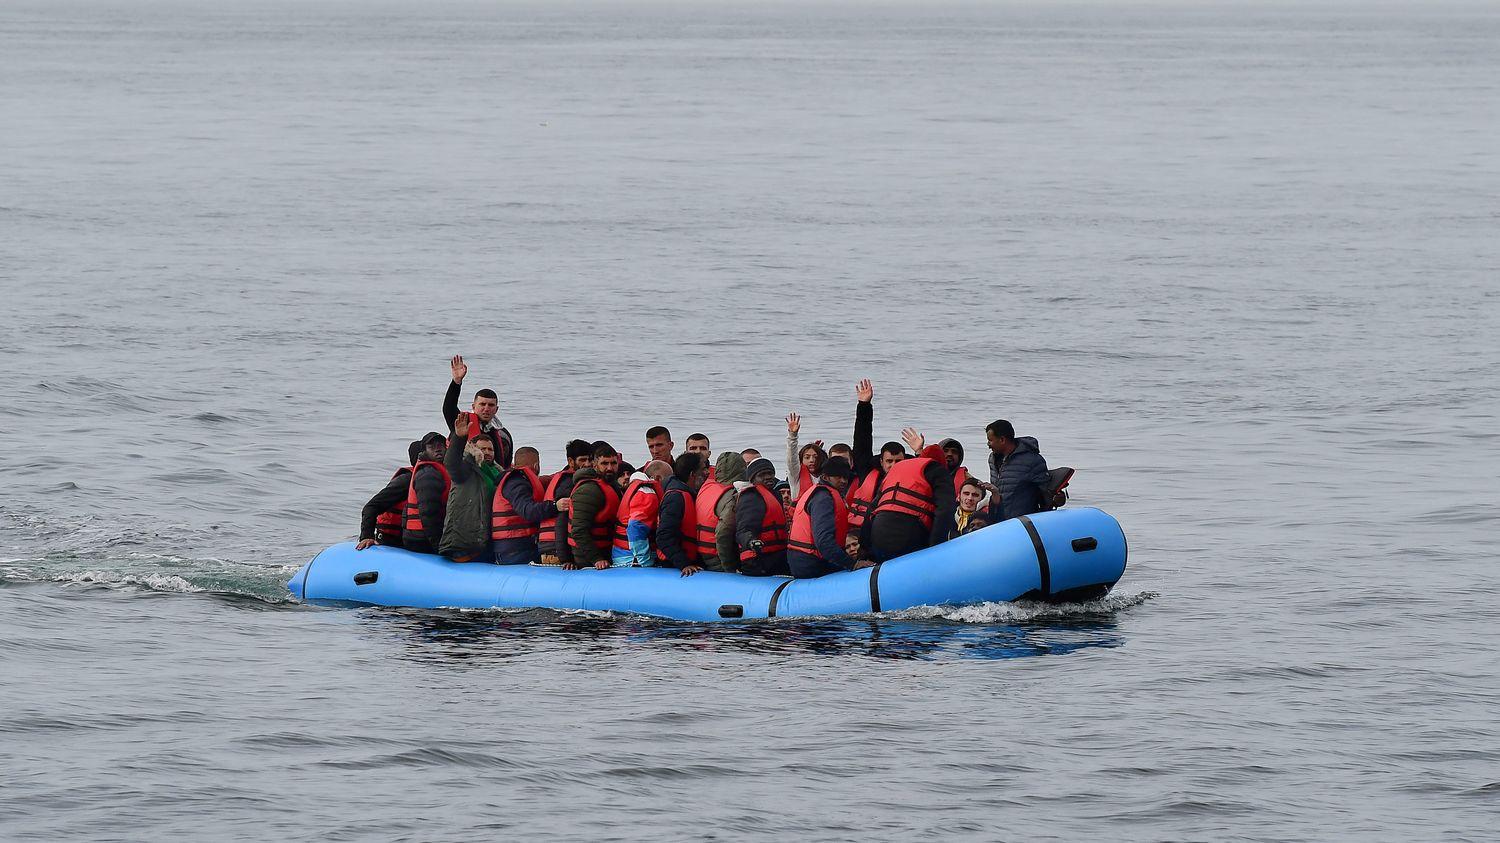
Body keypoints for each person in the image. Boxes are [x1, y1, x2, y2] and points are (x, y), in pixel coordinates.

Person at [863, 429, 956, 563]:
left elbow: (872, 508)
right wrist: (935, 550)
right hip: (908, 541)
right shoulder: (938, 470)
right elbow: (945, 511)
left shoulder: (896, 470)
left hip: (878, 538)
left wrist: (864, 547)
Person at [787, 457, 872, 578]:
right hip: (809, 563)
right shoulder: (823, 499)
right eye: (838, 477)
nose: (843, 481)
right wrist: (853, 564)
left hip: (805, 559)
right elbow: (823, 542)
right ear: (825, 477)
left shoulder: (824, 493)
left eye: (845, 477)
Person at [439, 415, 500, 562]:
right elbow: (451, 463)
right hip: (463, 542)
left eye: (490, 449)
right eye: (482, 449)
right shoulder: (466, 470)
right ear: (473, 450)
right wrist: (459, 438)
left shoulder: (498, 473)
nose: (487, 452)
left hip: (485, 540)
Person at [846, 379, 905, 532]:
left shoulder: (909, 479)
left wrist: (920, 450)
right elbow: (862, 438)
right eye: (889, 461)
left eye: (898, 461)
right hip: (864, 530)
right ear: (881, 461)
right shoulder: (867, 471)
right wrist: (864, 405)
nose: (893, 465)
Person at [490, 448, 566, 566]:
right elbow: (528, 511)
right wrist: (556, 506)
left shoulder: (518, 480)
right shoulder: (517, 482)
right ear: (536, 466)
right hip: (514, 552)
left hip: (515, 548)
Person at [356, 436, 427, 550]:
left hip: (415, 537)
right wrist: (366, 536)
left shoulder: (434, 479)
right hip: (391, 540)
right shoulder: (406, 480)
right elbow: (371, 507)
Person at [443, 355, 514, 468]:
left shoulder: (503, 433)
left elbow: (506, 461)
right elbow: (448, 407)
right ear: (473, 406)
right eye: (482, 404)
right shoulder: (462, 423)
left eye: (491, 405)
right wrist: (456, 382)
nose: (486, 408)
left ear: (496, 409)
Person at [565, 442, 621, 570]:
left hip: (608, 551)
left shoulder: (612, 486)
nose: (610, 468)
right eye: (604, 463)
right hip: (588, 558)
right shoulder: (589, 490)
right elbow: (578, 531)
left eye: (613, 463)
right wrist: (596, 559)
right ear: (595, 465)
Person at [538, 439, 592, 566]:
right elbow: (561, 522)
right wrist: (566, 559)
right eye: (582, 460)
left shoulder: (570, 478)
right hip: (554, 549)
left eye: (590, 459)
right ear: (570, 461)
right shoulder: (568, 483)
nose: (588, 464)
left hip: (551, 546)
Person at [985, 419, 1050, 522]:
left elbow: (1046, 495)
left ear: (1002, 440)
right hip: (998, 524)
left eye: (990, 440)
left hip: (1023, 525)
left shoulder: (1032, 460)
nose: (988, 444)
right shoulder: (992, 459)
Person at [692, 451, 746, 573]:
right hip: (717, 559)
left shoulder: (706, 487)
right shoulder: (732, 496)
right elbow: (723, 534)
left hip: (700, 555)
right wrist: (729, 568)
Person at [611, 460, 671, 567]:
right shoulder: (647, 493)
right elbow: (635, 526)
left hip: (623, 554)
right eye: (669, 478)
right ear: (658, 478)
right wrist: (642, 560)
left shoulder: (636, 488)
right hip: (632, 558)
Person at [735, 457, 789, 576]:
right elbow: (743, 530)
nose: (768, 477)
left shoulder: (775, 494)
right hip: (757, 559)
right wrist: (752, 541)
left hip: (777, 556)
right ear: (753, 479)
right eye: (762, 475)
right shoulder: (751, 497)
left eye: (770, 473)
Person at [400, 432, 451, 554]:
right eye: (432, 446)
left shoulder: (441, 470)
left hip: (421, 536)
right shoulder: (427, 474)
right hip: (420, 539)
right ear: (424, 451)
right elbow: (428, 514)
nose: (438, 449)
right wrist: (439, 547)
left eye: (441, 445)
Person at [658, 452, 707, 576]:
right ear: (692, 475)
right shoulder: (675, 498)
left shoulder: (689, 493)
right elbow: (663, 536)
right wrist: (684, 564)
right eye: (703, 469)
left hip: (689, 558)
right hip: (672, 564)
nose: (707, 472)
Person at [784, 412, 828, 501]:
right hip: (800, 513)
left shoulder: (827, 477)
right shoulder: (795, 475)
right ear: (801, 459)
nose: (812, 460)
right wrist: (793, 436)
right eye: (807, 457)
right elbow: (791, 458)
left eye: (816, 457)